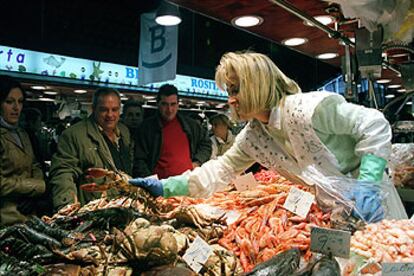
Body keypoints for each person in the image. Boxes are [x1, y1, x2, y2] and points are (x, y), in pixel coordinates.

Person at [128, 51, 407, 222]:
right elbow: (219, 171)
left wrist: (368, 186)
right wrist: (167, 187)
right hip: (334, 212)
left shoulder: (308, 108)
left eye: (235, 90)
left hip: (375, 204)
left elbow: (374, 124)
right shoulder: (254, 136)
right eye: (229, 91)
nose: (231, 100)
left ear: (256, 86)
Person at [49, 88, 132, 211]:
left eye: (114, 110)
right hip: (94, 210)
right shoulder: (74, 134)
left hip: (125, 206)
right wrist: (66, 208)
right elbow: (63, 172)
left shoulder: (124, 132)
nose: (110, 115)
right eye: (104, 109)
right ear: (93, 109)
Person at [133, 84, 211, 179]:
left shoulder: (191, 125)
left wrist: (197, 162)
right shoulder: (146, 128)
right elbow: (139, 160)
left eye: (173, 104)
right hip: (159, 187)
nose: (169, 110)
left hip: (187, 183)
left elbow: (206, 144)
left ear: (178, 104)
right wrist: (150, 181)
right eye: (165, 104)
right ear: (158, 104)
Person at [0, 75, 46, 226]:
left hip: (29, 217)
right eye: (9, 102)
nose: (16, 108)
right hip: (5, 218)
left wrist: (33, 195)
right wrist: (35, 187)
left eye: (20, 102)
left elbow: (35, 165)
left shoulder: (23, 133)